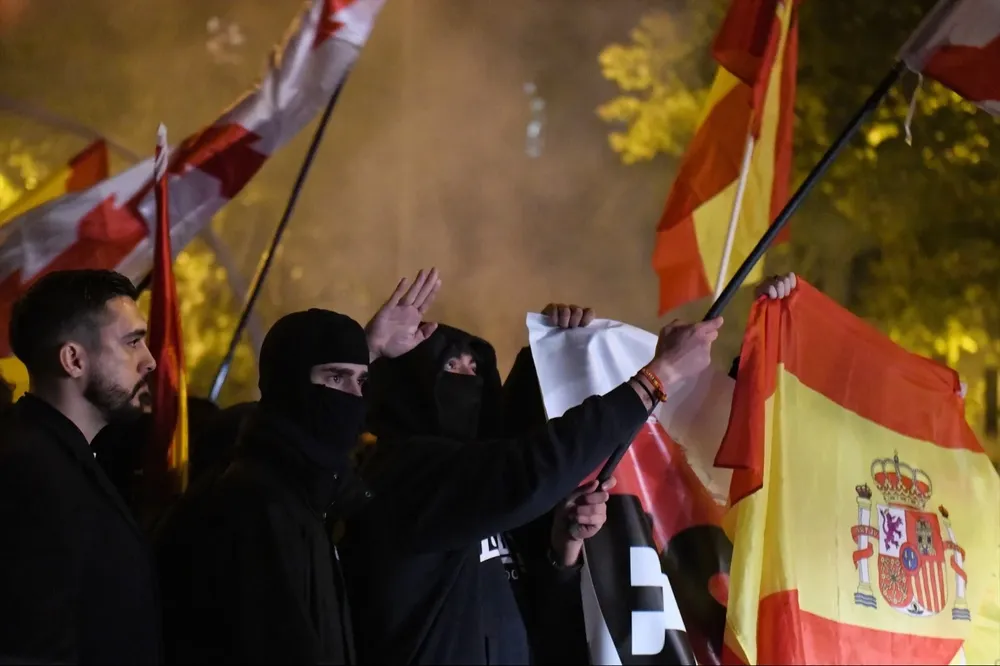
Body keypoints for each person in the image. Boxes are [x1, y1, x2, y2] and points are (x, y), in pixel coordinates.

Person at [341, 302, 723, 665]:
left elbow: (547, 634)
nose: (469, 377)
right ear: (408, 382)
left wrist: (562, 551)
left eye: (476, 367)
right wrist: (660, 376)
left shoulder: (493, 499)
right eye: (450, 365)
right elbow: (534, 467)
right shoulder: (402, 475)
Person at [153, 268, 442, 665]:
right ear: (289, 384)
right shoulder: (252, 507)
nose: (352, 397)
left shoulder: (306, 498)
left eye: (361, 382)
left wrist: (366, 351)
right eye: (336, 377)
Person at [0, 269, 161, 664]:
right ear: (73, 359)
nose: (151, 361)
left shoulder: (57, 455)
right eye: (133, 342)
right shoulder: (29, 470)